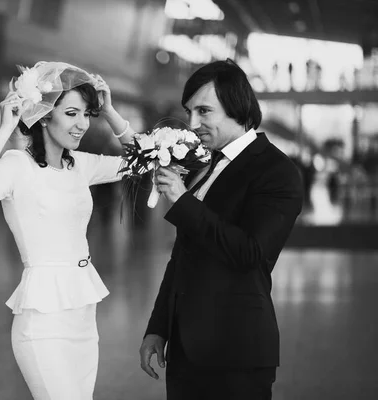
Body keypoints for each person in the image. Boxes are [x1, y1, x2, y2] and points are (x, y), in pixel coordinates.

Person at [0, 61, 135, 400]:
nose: (82, 123)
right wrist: (3, 131)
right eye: (71, 113)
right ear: (43, 114)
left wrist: (110, 112)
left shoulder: (80, 164)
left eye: (86, 114)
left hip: (83, 314)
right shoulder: (17, 165)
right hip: (43, 321)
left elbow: (148, 160)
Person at [139, 59, 304, 400]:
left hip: (236, 352)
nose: (192, 123)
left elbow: (250, 253)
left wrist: (183, 201)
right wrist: (158, 327)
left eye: (204, 111)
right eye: (189, 112)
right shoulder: (204, 164)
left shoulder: (277, 171)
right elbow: (182, 256)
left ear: (238, 109)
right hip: (185, 349)